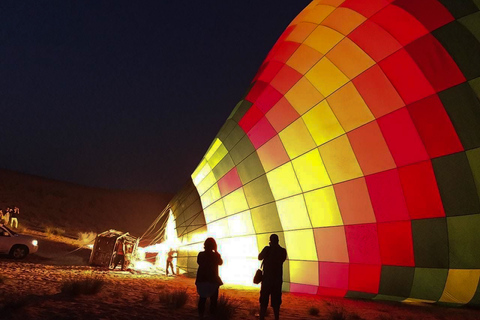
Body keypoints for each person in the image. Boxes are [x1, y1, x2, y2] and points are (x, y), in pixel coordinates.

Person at [258, 234, 287, 320]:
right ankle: (276, 318)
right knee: (276, 302)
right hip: (277, 280)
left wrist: (269, 249)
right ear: (278, 240)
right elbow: (282, 259)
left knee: (264, 301)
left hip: (267, 279)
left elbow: (259, 257)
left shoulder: (267, 249)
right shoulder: (282, 251)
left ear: (270, 240)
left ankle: (262, 317)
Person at [195, 237, 223, 318]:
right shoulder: (215, 256)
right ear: (214, 246)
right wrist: (216, 251)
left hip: (202, 280)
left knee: (202, 299)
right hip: (212, 281)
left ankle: (201, 316)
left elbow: (199, 262)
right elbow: (220, 262)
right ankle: (212, 316)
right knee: (213, 301)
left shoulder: (201, 254)